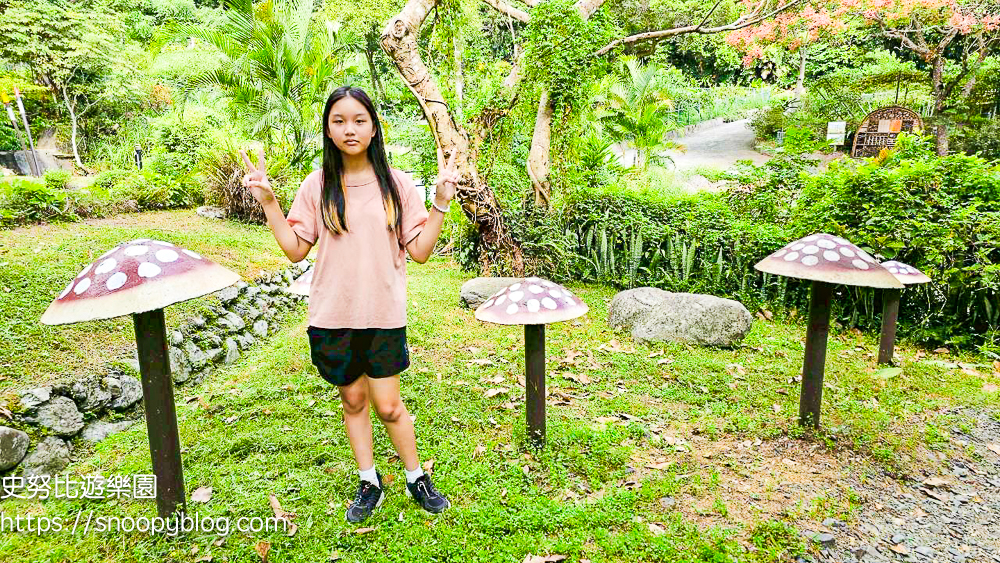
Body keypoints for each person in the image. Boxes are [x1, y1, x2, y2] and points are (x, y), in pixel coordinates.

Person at [240, 86, 459, 523]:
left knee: (389, 405)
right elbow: (295, 248)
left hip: (382, 315)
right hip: (333, 315)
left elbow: (419, 251)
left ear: (374, 127)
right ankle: (369, 480)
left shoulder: (395, 184)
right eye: (338, 120)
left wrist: (439, 203)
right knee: (353, 401)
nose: (349, 129)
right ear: (328, 128)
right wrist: (269, 203)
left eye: (359, 119)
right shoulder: (317, 184)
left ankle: (416, 476)